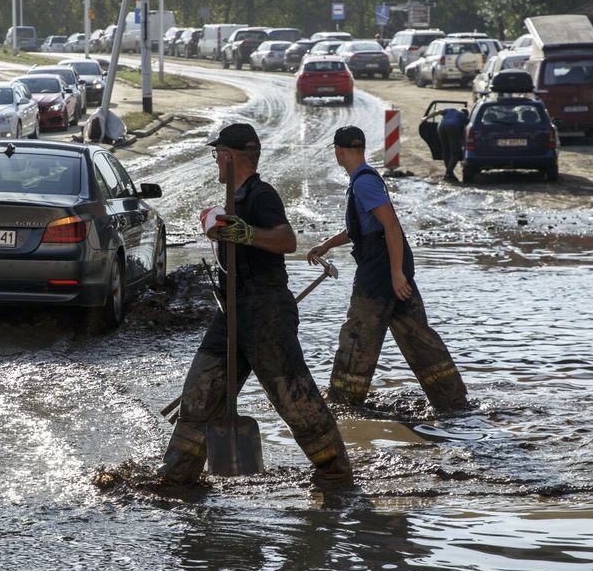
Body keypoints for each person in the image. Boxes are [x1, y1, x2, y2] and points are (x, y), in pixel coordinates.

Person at [159, 122, 353, 488]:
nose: (215, 162)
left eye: (217, 155)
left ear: (230, 157)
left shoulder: (262, 195)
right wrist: (218, 222)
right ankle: (176, 476)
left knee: (292, 396)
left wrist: (245, 233)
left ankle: (335, 473)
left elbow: (286, 240)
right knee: (200, 392)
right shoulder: (236, 199)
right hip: (230, 311)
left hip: (266, 312)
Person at [307, 125, 469, 412]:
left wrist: (396, 275)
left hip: (381, 270)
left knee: (359, 332)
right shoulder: (363, 179)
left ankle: (343, 403)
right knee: (417, 335)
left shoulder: (363, 183)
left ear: (339, 151)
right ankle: (453, 401)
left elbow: (391, 225)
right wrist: (328, 245)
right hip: (388, 264)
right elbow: (362, 229)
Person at [437, 107, 469, 182]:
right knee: (455, 153)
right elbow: (467, 129)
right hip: (452, 127)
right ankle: (448, 173)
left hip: (440, 127)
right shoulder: (464, 116)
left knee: (446, 151)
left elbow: (438, 111)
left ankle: (450, 174)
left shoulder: (451, 110)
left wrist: (426, 118)